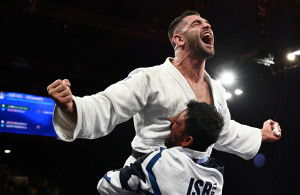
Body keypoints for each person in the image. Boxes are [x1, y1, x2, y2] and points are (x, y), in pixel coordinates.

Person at [47, 10, 281, 166]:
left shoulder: (217, 88)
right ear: (178, 39)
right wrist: (71, 106)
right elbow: (109, 105)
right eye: (197, 23)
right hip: (148, 176)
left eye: (208, 24)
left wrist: (259, 134)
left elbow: (222, 130)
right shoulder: (150, 77)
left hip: (193, 179)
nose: (207, 25)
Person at [97, 101, 225, 195]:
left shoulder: (161, 159)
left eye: (177, 122)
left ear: (187, 140)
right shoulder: (217, 174)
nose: (171, 120)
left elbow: (106, 185)